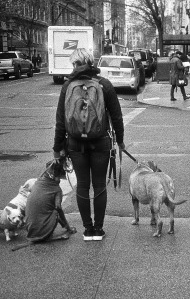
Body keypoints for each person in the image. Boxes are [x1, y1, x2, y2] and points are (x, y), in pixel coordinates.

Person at [53, 48, 125, 241]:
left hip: (75, 143)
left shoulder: (68, 86)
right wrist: (120, 140)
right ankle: (98, 230)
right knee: (100, 184)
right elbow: (117, 116)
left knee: (83, 185)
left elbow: (61, 120)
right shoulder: (104, 84)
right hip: (101, 142)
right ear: (91, 62)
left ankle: (87, 230)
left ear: (75, 64)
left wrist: (57, 148)